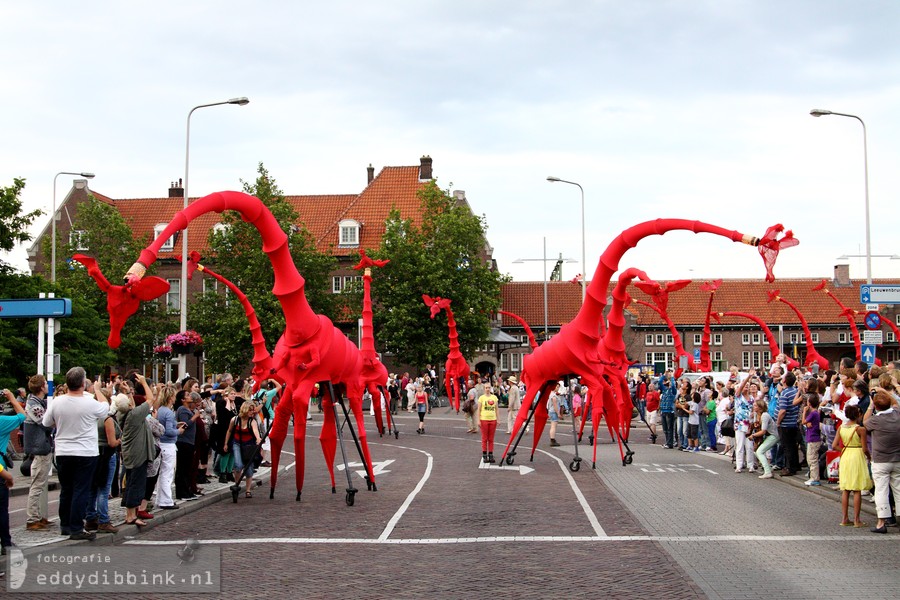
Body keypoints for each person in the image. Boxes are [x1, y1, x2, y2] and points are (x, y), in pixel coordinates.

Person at [41, 368, 109, 540]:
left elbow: (46, 422)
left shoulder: (57, 401)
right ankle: (76, 527)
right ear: (82, 383)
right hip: (85, 452)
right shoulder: (90, 403)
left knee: (67, 490)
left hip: (63, 451)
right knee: (81, 490)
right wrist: (99, 390)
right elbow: (105, 408)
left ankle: (65, 525)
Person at [116, 374, 156, 528]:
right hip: (138, 453)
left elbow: (131, 404)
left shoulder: (124, 413)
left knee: (131, 481)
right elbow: (150, 400)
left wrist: (127, 391)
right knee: (136, 483)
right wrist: (145, 383)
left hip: (130, 453)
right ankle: (131, 516)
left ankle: (130, 513)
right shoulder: (134, 416)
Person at [85, 385, 121, 534]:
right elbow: (112, 441)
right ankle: (104, 519)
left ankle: (90, 517)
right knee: (104, 488)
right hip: (106, 454)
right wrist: (121, 440)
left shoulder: (90, 416)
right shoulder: (106, 419)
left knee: (93, 487)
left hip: (93, 453)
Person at [863, 391, 900, 533]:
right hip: (897, 458)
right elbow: (896, 404)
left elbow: (865, 421)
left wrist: (871, 405)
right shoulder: (897, 415)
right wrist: (885, 393)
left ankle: (881, 522)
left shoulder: (875, 420)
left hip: (880, 460)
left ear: (877, 406)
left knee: (881, 490)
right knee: (898, 488)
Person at [22, 374, 53, 531]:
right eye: (46, 384)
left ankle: (37, 516)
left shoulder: (37, 403)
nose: (48, 386)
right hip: (39, 449)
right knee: (37, 484)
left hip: (40, 448)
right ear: (42, 387)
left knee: (39, 483)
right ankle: (32, 518)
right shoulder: (34, 406)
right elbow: (46, 424)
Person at [833, 404, 872, 528]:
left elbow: (834, 445)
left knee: (846, 489)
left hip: (846, 455)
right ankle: (857, 519)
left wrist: (844, 449)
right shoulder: (860, 429)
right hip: (857, 455)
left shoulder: (841, 428)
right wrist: (870, 457)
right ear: (858, 415)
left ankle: (844, 518)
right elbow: (865, 448)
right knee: (856, 489)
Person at [1, 388, 26, 552]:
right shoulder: (2, 421)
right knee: (1, 511)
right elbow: (22, 415)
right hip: (0, 472)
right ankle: (6, 543)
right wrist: (11, 397)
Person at [224, 401, 262, 497]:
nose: (252, 412)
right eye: (250, 410)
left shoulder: (252, 421)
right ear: (245, 410)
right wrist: (226, 444)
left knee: (249, 469)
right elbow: (229, 431)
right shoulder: (235, 419)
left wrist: (258, 439)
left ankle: (248, 490)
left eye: (253, 410)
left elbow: (255, 431)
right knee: (238, 465)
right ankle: (237, 485)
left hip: (249, 445)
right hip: (237, 443)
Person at [154, 384, 179, 510]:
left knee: (162, 473)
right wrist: (178, 431)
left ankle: (161, 499)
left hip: (160, 444)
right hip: (168, 444)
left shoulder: (160, 410)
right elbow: (168, 430)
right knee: (167, 473)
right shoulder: (169, 413)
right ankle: (166, 500)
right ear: (170, 398)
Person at [175, 392, 202, 500]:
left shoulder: (188, 410)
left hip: (189, 442)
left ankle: (188, 490)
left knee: (187, 468)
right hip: (183, 442)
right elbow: (184, 424)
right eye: (187, 395)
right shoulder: (182, 409)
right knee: (183, 468)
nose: (190, 396)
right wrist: (195, 417)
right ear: (183, 399)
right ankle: (182, 492)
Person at [776, 371, 801, 477]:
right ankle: (795, 465)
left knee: (787, 446)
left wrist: (778, 422)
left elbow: (783, 410)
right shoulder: (795, 391)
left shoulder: (785, 393)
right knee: (793, 445)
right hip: (793, 422)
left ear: (785, 380)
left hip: (785, 423)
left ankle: (789, 468)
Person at [752, 398, 779, 478]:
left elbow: (763, 431)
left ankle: (767, 472)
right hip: (768, 435)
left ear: (760, 407)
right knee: (757, 451)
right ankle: (768, 468)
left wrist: (753, 435)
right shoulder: (756, 415)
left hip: (773, 435)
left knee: (759, 451)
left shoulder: (764, 416)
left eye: (755, 405)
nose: (753, 406)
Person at [801, 393, 823, 486]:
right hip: (813, 438)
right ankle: (813, 477)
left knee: (812, 459)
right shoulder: (816, 413)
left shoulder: (813, 413)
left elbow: (803, 421)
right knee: (811, 458)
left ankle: (814, 478)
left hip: (813, 439)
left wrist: (804, 412)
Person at [477, 383, 499, 463]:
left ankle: (491, 454)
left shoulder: (494, 397)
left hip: (493, 419)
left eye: (489, 388)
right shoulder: (481, 398)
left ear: (491, 388)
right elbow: (479, 410)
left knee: (491, 439)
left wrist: (498, 419)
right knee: (484, 438)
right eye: (486, 388)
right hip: (484, 419)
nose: (488, 389)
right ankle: (484, 455)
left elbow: (496, 409)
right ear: (484, 389)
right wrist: (478, 420)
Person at [658, 371, 676, 449]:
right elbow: (659, 382)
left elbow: (673, 386)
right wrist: (664, 375)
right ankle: (667, 442)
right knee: (665, 429)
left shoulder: (672, 391)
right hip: (663, 410)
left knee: (669, 428)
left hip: (669, 411)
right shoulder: (664, 390)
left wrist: (671, 377)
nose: (665, 385)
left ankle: (670, 443)